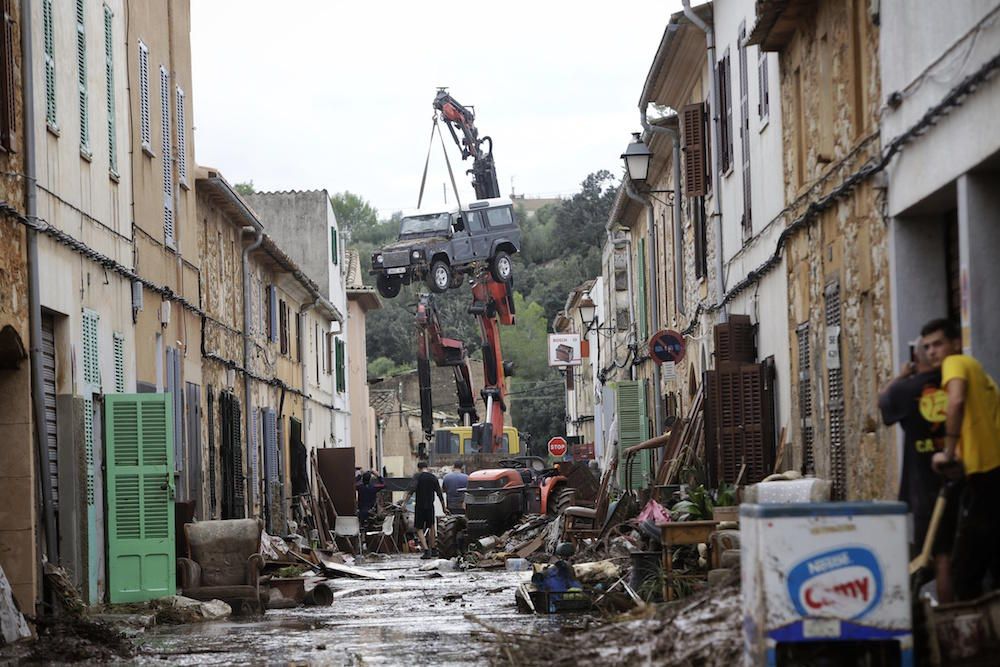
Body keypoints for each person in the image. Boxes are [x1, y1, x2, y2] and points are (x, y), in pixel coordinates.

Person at [923, 318, 1000, 601]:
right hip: (988, 471)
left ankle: (971, 640)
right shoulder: (978, 370)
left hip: (987, 473)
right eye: (927, 347)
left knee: (966, 571)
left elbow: (955, 402)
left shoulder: (955, 363)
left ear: (955, 343)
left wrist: (949, 449)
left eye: (938, 344)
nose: (932, 352)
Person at [878, 340, 955, 599]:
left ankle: (945, 616)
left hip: (922, 483)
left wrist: (900, 376)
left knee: (937, 555)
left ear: (914, 359)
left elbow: (883, 401)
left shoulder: (905, 388)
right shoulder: (953, 380)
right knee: (951, 552)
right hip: (962, 473)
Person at [403, 461, 447, 559]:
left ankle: (426, 550)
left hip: (420, 506)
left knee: (419, 528)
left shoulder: (417, 476)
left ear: (419, 468)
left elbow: (411, 490)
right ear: (427, 467)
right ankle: (434, 549)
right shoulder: (433, 477)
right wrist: (444, 508)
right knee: (431, 527)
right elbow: (440, 494)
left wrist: (404, 503)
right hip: (430, 506)